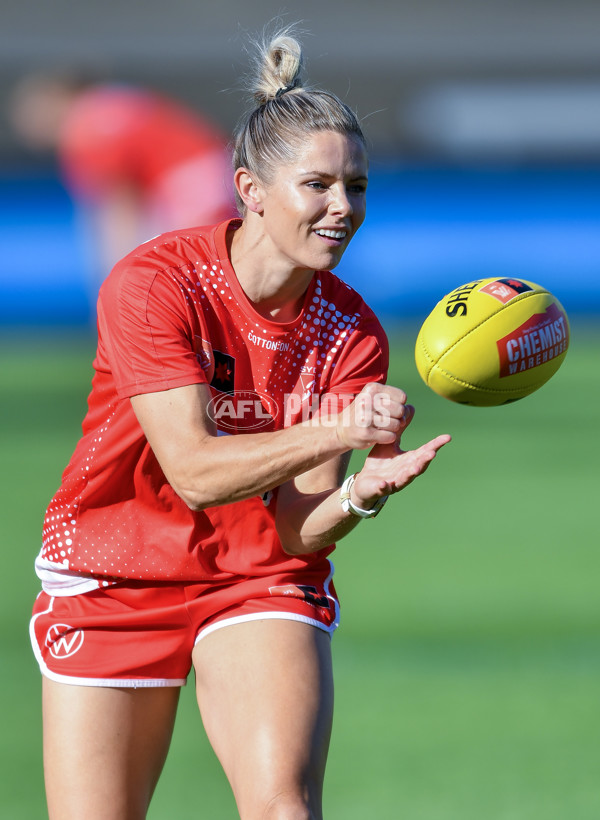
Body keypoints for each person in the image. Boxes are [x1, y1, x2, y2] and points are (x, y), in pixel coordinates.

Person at [29, 26, 451, 820]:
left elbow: (296, 531)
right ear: (251, 190)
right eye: (317, 185)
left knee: (283, 809)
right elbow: (192, 469)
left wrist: (364, 492)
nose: (341, 208)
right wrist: (337, 431)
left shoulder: (351, 330)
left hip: (256, 577)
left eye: (356, 187)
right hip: (117, 571)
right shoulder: (155, 284)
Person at [9, 72, 236, 301]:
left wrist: (112, 275)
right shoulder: (114, 100)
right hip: (220, 172)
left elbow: (118, 207)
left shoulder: (85, 128)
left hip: (190, 185)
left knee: (187, 281)